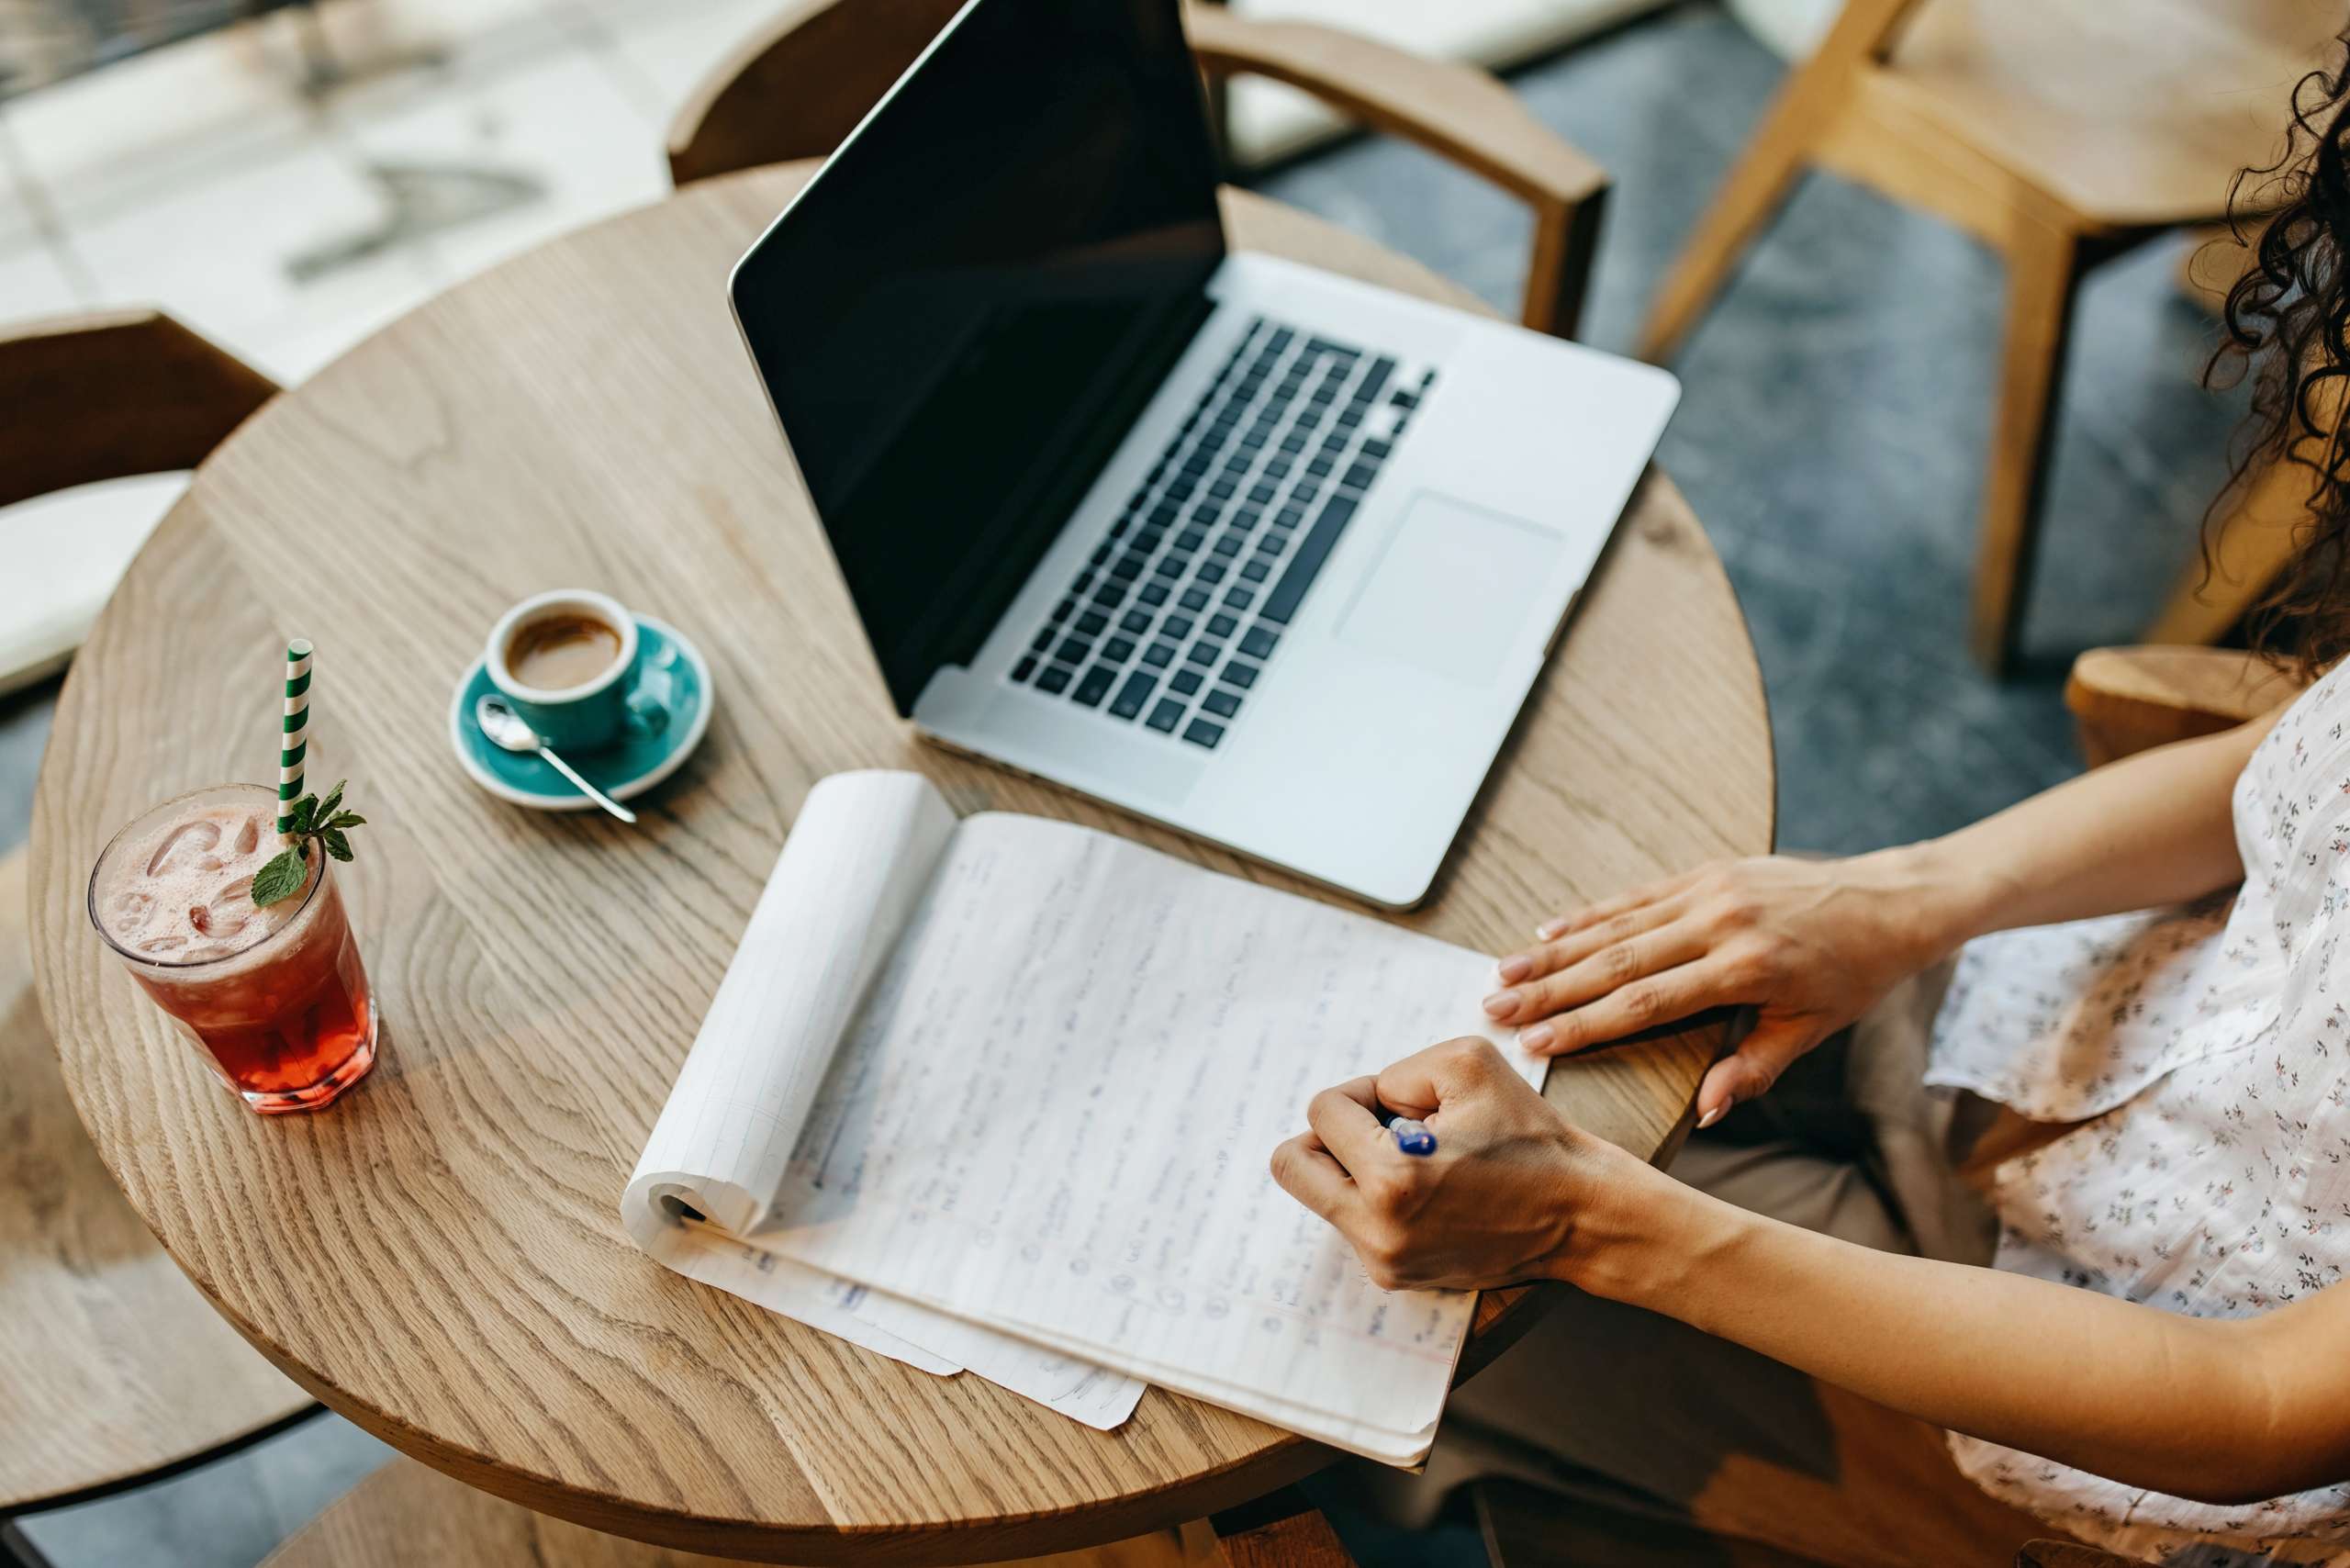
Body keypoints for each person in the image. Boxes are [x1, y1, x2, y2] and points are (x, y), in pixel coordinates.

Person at [1272, 49, 2350, 1568]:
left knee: (1384, 1334)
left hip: (2080, 1390)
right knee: (1446, 995)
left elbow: (2253, 1411)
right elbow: (2280, 765)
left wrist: (1590, 1225)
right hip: (2042, 1020)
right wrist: (1912, 895)